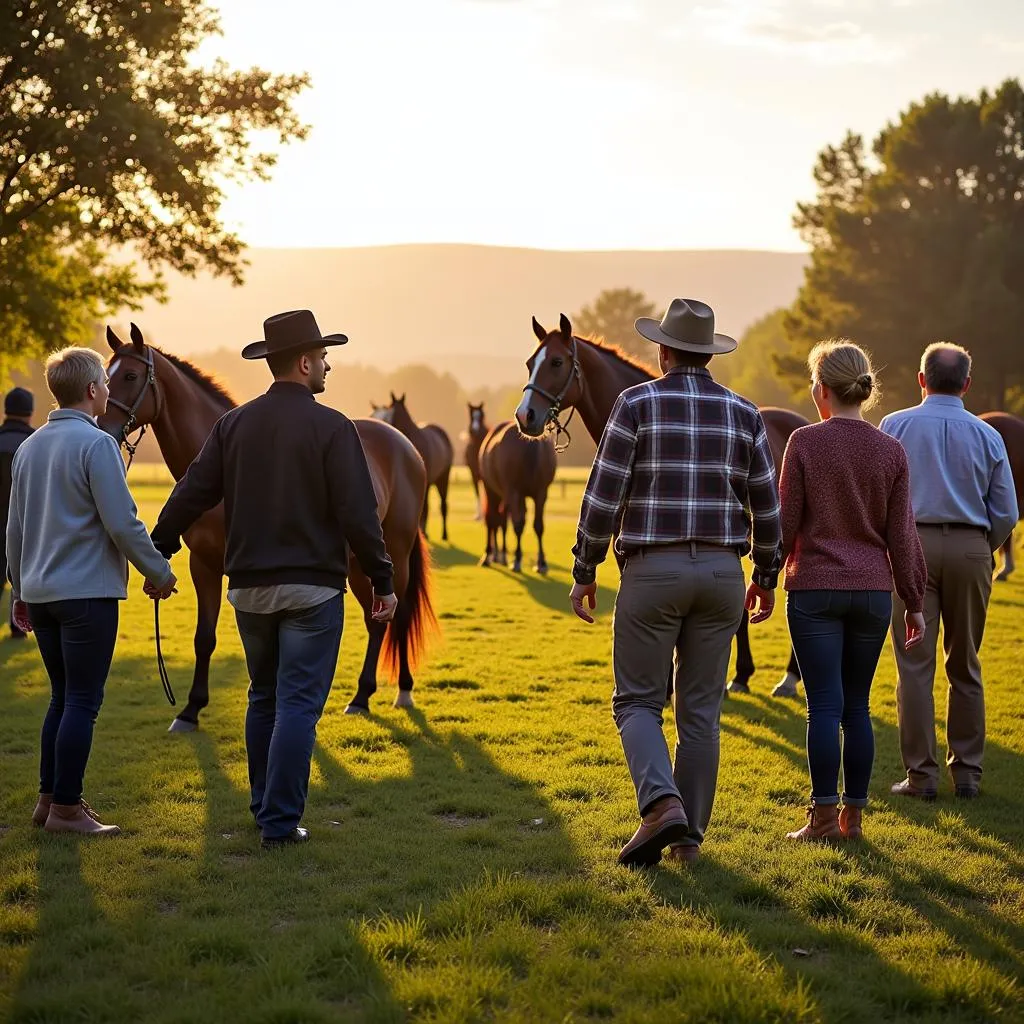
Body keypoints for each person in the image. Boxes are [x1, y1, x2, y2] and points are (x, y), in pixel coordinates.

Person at [149, 309, 398, 849]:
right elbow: (358, 513)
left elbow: (191, 492)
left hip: (249, 590)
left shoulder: (233, 425)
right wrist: (382, 580)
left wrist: (158, 550)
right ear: (304, 362)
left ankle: (264, 808)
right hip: (312, 589)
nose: (328, 369)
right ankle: (280, 825)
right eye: (324, 359)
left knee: (264, 697)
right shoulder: (334, 427)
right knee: (297, 707)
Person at [568, 298, 782, 868]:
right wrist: (765, 575)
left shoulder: (635, 404)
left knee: (637, 700)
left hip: (652, 572)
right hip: (721, 576)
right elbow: (767, 504)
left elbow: (604, 493)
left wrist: (585, 568)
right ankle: (688, 843)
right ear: (708, 354)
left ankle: (661, 805)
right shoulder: (744, 412)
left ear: (663, 351)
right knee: (700, 714)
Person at [6, 349, 177, 835]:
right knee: (82, 701)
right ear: (92, 391)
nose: (107, 389)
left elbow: (14, 530)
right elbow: (122, 523)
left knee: (61, 698)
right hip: (85, 595)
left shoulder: (29, 447)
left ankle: (47, 801)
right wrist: (159, 572)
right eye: (104, 382)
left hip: (39, 593)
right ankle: (66, 809)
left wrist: (19, 589)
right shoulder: (97, 445)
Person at [779, 341, 926, 842]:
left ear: (821, 389)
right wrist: (915, 601)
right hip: (872, 592)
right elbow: (902, 534)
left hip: (814, 588)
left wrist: (761, 576)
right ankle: (853, 820)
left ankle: (821, 819)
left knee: (822, 706)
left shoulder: (803, 442)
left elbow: (785, 523)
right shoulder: (890, 450)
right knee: (857, 707)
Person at [880, 343, 1018, 800]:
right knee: (966, 663)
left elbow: (882, 499)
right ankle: (969, 776)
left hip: (911, 547)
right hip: (971, 547)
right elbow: (1006, 511)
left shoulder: (895, 425)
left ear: (922, 379)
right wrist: (980, 547)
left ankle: (921, 777)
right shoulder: (988, 435)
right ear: (967, 384)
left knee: (914, 667)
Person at [1, 387, 35, 638]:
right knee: (20, 574)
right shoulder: (37, 443)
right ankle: (18, 627)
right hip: (28, 522)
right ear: (31, 412)